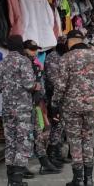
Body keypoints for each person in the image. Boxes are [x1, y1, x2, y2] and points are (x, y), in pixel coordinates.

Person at [52, 30, 94, 186]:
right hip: (90, 106)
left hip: (71, 107)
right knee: (87, 138)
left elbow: (60, 85)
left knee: (75, 141)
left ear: (70, 41)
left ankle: (78, 179)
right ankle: (89, 179)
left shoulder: (66, 58)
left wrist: (55, 104)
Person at [0, 35, 38, 186]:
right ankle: (17, 181)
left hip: (7, 109)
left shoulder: (2, 62)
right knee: (22, 142)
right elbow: (29, 84)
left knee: (10, 142)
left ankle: (11, 181)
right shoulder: (24, 61)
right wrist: (37, 86)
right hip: (22, 109)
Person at [23, 40, 61, 176]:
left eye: (36, 50)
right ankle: (20, 167)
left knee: (39, 134)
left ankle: (44, 164)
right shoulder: (22, 65)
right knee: (24, 137)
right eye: (32, 50)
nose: (35, 52)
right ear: (24, 50)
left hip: (36, 105)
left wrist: (43, 102)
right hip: (22, 108)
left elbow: (41, 85)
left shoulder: (35, 65)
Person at [45, 41, 70, 169]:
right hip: (54, 97)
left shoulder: (63, 56)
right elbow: (53, 79)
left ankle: (57, 153)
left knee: (61, 125)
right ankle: (51, 154)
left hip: (62, 97)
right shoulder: (53, 57)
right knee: (57, 124)